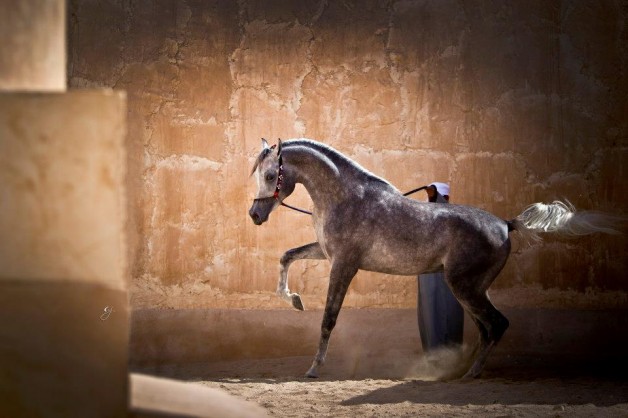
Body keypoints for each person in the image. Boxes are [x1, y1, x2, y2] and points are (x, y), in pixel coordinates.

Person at [418, 182, 464, 353]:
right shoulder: (422, 217)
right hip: (428, 274)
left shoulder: (453, 216)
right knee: (430, 313)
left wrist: (434, 195)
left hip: (449, 272)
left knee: (450, 311)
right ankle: (434, 355)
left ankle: (452, 354)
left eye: (435, 197)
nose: (431, 200)